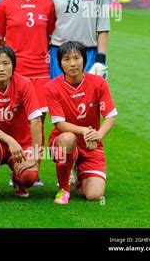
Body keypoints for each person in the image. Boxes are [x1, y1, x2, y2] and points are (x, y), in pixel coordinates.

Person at [0, 0, 55, 187]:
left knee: (38, 121)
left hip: (41, 72)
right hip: (15, 73)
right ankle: (16, 167)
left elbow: (50, 35)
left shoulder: (47, 4)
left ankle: (33, 169)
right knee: (17, 120)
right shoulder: (5, 4)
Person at [45, 41, 117, 205]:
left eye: (76, 58)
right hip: (63, 140)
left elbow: (111, 117)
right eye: (66, 59)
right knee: (68, 138)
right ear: (60, 63)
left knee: (94, 195)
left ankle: (80, 174)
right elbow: (60, 124)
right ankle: (64, 189)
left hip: (91, 143)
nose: (72, 63)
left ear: (84, 60)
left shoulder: (99, 83)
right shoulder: (52, 87)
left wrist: (98, 135)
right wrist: (85, 131)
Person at [0, 46, 43, 205]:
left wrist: (34, 155)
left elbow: (36, 121)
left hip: (22, 144)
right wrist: (9, 140)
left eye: (6, 63)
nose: (1, 68)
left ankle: (19, 181)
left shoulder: (25, 84)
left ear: (13, 66)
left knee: (29, 177)